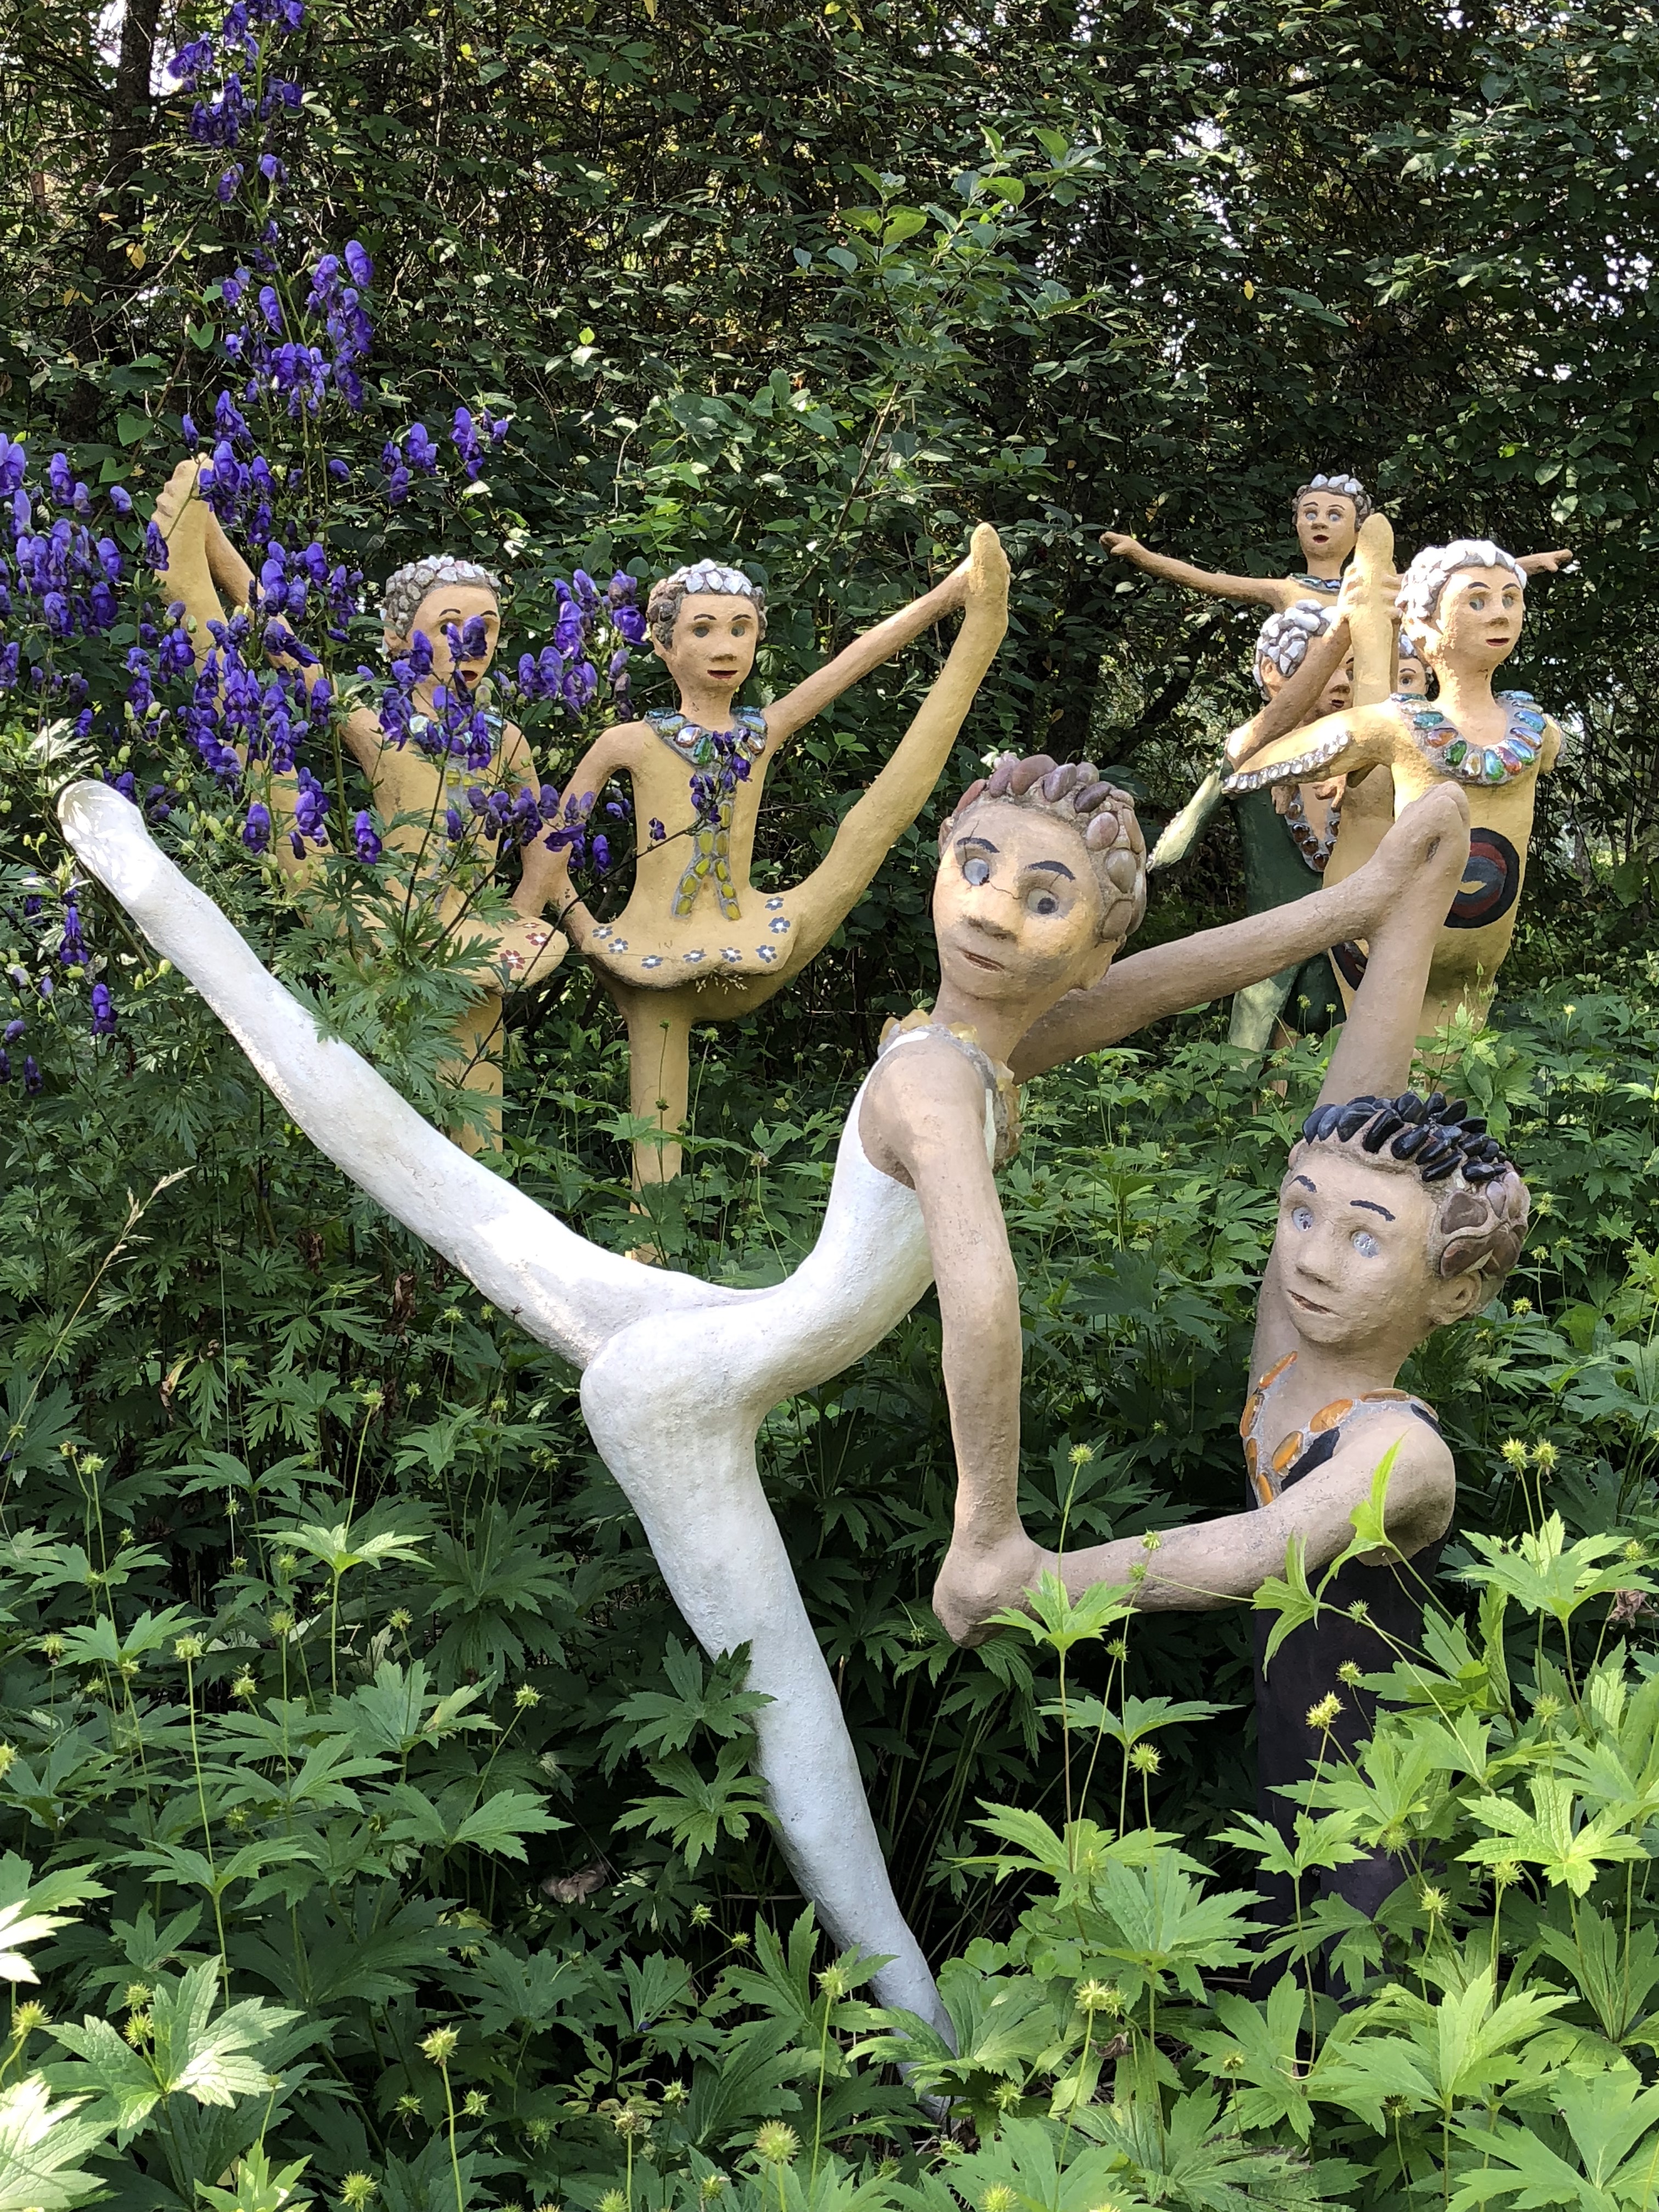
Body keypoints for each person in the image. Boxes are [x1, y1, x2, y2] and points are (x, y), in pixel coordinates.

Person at [57, 743, 1462, 2032]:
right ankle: (923, 2048)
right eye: (976, 869)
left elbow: (1172, 976)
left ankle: (154, 886)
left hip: (712, 1329)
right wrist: (987, 1532)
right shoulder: (935, 1084)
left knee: (425, 1172)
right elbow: (982, 1290)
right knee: (794, 1723)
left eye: (1043, 900)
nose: (991, 911)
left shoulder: (980, 1048)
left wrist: (1364, 900)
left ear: (1091, 941)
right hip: (688, 1387)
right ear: (939, 872)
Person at [935, 789, 1527, 1966]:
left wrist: (1039, 1581)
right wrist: (1410, 900)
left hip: (1382, 1785)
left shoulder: (1398, 1450)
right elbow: (1349, 1105)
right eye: (1300, 1214)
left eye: (1365, 1241)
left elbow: (1257, 1551)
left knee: (1352, 1967)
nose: (1310, 1256)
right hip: (1290, 1747)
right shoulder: (1297, 1354)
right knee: (1278, 1926)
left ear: (1453, 1292)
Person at [511, 532, 1007, 1187]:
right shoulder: (628, 742)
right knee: (655, 1145)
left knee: (870, 827)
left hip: (748, 930)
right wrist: (576, 927)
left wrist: (950, 596)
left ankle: (978, 635)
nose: (725, 647)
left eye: (740, 629)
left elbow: (851, 664)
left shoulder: (758, 734)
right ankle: (651, 1225)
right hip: (649, 950)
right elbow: (554, 841)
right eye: (703, 630)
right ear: (663, 643)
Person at [151, 461, 566, 1150]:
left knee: (477, 1109)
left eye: (487, 628)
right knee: (265, 751)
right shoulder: (382, 726)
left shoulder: (506, 739)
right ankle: (197, 607)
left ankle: (478, 1188)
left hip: (471, 932)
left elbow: (547, 838)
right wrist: (217, 545)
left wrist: (518, 914)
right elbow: (286, 647)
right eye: (450, 625)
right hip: (381, 922)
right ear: (400, 639)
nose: (472, 643)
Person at [1221, 539, 1565, 1035]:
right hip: (1387, 951)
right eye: (1476, 601)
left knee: (1460, 1064)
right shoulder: (1395, 725)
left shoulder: (1537, 732)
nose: (1499, 614)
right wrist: (1289, 771)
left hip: (1479, 962)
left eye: (1511, 599)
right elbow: (1254, 762)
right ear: (1422, 625)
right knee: (1385, 1058)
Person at [1152, 599, 1357, 1052]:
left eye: (1350, 669)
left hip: (1348, 965)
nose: (1342, 683)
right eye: (1323, 667)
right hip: (1270, 964)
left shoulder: (1363, 761)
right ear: (1272, 672)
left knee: (1352, 1076)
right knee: (1250, 1076)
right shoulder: (1249, 759)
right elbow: (1176, 846)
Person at [1101, 470, 1571, 613]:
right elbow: (1207, 579)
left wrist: (1527, 564)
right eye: (1310, 514)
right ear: (1296, 524)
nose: (1319, 523)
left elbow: (1461, 574)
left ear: (1357, 530)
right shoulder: (1286, 590)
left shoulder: (1379, 586)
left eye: (1334, 515)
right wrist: (1142, 555)